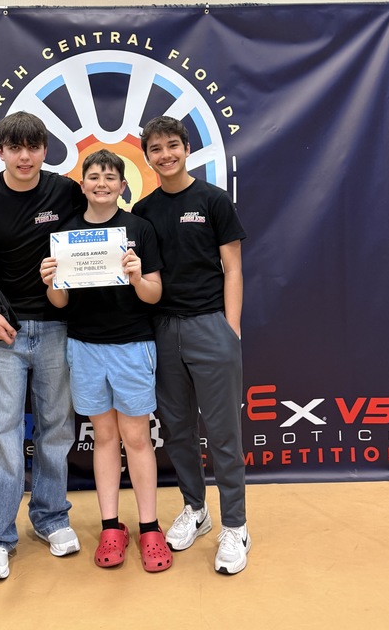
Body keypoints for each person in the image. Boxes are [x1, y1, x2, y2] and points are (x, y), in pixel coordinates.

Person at [0, 111, 85, 581]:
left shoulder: (65, 191)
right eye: (15, 147)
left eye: (33, 147)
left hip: (57, 326)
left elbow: (84, 246)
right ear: (1, 151)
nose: (25, 156)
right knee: (2, 434)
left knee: (55, 428)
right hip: (1, 332)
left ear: (45, 150)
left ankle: (52, 518)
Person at [40, 149, 173, 573]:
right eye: (93, 176)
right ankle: (111, 526)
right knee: (103, 437)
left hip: (133, 345)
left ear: (122, 185)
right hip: (84, 345)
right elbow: (59, 301)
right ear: (83, 185)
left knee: (136, 437)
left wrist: (136, 275)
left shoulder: (139, 229)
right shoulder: (67, 233)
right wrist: (50, 280)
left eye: (110, 177)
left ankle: (149, 528)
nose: (101, 183)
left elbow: (153, 295)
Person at [132, 116, 250, 575]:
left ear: (187, 149)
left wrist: (231, 328)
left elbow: (233, 268)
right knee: (177, 430)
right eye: (156, 148)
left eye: (173, 145)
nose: (165, 154)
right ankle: (195, 510)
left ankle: (236, 526)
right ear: (147, 155)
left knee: (223, 434)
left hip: (209, 327)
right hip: (161, 330)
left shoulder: (213, 200)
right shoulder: (142, 211)